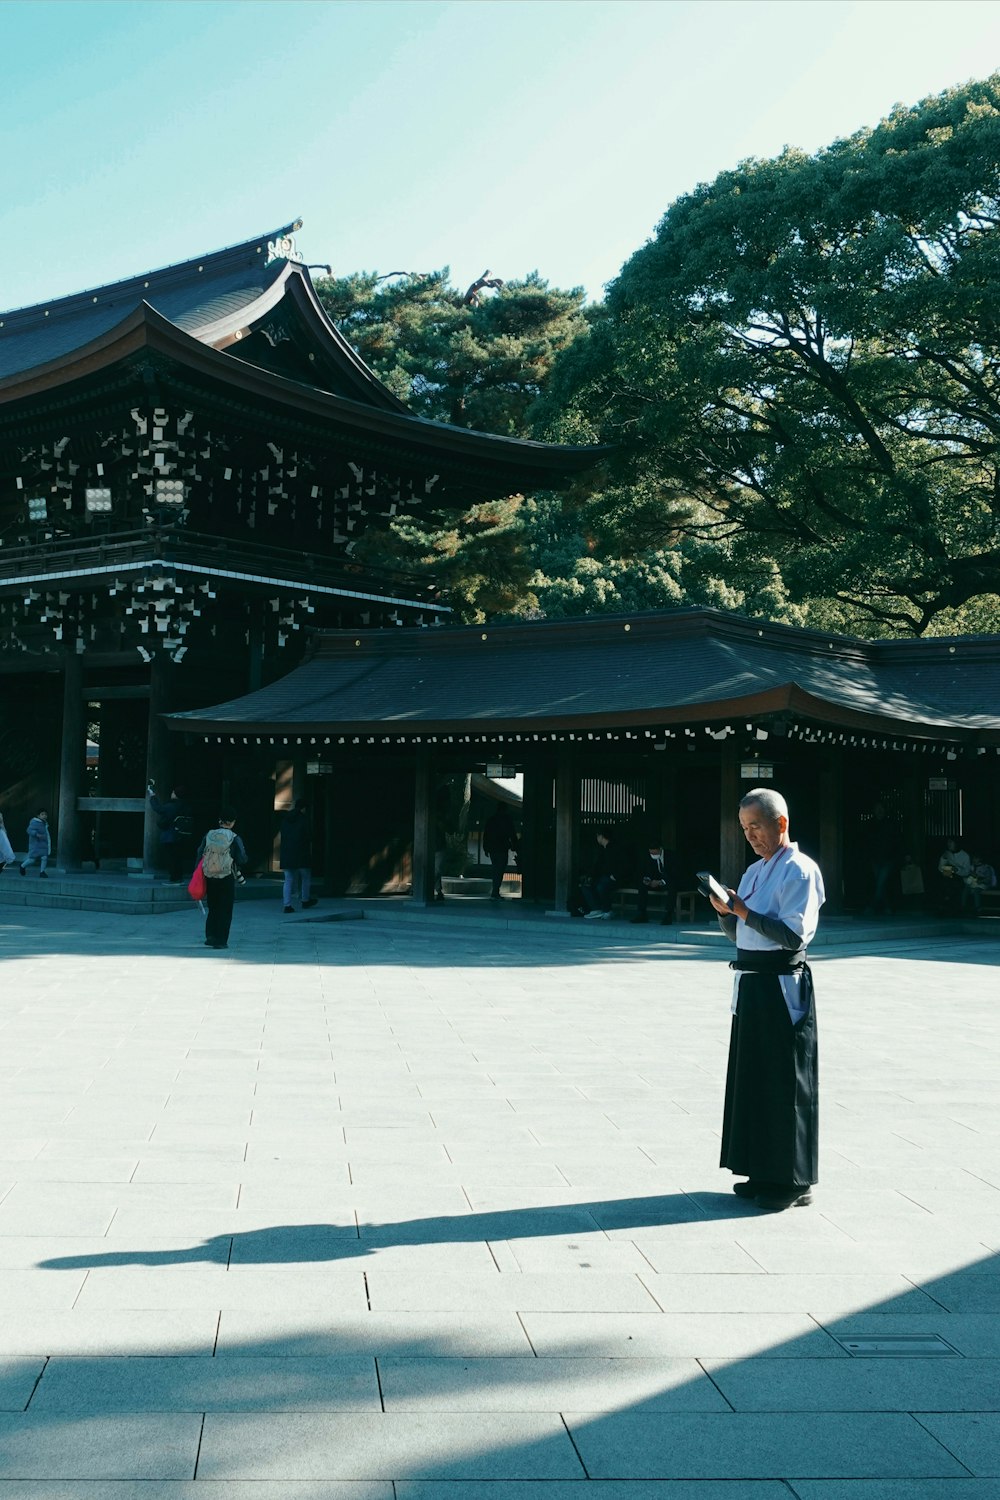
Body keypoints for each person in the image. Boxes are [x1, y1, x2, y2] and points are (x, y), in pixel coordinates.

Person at [708, 787, 825, 1212]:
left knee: (784, 1083)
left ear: (781, 823)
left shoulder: (800, 870)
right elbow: (742, 936)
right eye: (744, 828)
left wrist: (740, 911)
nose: (751, 835)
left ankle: (792, 1180)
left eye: (756, 825)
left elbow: (792, 935)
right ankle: (760, 1168)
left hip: (781, 985)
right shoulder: (755, 871)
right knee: (753, 1080)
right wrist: (726, 914)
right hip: (752, 982)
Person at [197, 809, 247, 950]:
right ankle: (221, 940)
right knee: (225, 909)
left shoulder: (209, 834)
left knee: (213, 906)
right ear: (232, 823)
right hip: (226, 876)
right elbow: (242, 858)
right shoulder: (234, 837)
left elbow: (200, 852)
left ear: (220, 821)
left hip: (209, 875)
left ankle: (210, 936)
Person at [147, 781, 194, 884]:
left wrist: (152, 796)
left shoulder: (172, 806)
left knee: (172, 858)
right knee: (178, 858)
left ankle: (174, 878)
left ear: (176, 794)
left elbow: (158, 809)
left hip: (171, 835)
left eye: (173, 792)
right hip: (182, 835)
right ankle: (179, 877)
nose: (172, 793)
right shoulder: (186, 806)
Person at [862, 801, 901, 916]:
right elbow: (866, 842)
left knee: (881, 881)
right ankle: (887, 907)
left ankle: (872, 906)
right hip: (874, 858)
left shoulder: (891, 824)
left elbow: (897, 840)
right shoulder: (870, 825)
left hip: (889, 858)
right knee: (880, 883)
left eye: (881, 808)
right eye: (877, 809)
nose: (879, 811)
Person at [279, 798, 316, 913]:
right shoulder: (304, 820)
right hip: (301, 853)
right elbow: (309, 836)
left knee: (288, 879)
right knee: (305, 876)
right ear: (304, 808)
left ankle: (287, 905)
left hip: (287, 852)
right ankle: (305, 899)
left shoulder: (285, 819)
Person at [576, 827, 622, 919]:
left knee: (601, 886)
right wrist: (589, 876)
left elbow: (623, 864)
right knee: (586, 884)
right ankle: (596, 909)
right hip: (604, 876)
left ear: (602, 836)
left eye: (598, 836)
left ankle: (608, 910)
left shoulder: (616, 848)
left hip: (616, 877)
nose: (597, 838)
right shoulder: (602, 850)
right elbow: (597, 866)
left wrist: (616, 875)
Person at [631, 842, 677, 925]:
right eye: (651, 853)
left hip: (667, 881)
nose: (653, 854)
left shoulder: (671, 856)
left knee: (672, 887)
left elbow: (675, 873)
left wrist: (661, 882)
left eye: (655, 853)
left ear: (660, 849)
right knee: (642, 886)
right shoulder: (646, 856)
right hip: (653, 881)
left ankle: (668, 915)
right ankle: (642, 913)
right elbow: (644, 871)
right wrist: (648, 880)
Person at [482, 806, 519, 899]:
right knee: (500, 869)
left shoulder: (491, 820)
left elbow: (486, 834)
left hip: (493, 848)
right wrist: (515, 845)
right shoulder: (507, 821)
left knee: (496, 869)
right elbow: (512, 833)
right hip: (502, 848)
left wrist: (486, 848)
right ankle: (496, 890)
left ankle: (495, 890)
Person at [938, 837, 972, 914]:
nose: (949, 844)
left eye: (951, 842)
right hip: (948, 876)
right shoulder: (947, 853)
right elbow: (940, 869)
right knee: (945, 881)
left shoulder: (965, 855)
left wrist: (957, 869)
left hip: (960, 878)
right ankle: (944, 906)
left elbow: (967, 872)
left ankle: (952, 908)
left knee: (952, 884)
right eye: (948, 842)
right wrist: (943, 858)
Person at [19, 808, 51, 877]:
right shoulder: (34, 822)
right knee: (32, 859)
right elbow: (29, 830)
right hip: (36, 844)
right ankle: (22, 866)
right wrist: (36, 834)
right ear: (38, 816)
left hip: (43, 843)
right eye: (42, 814)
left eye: (45, 814)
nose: (44, 816)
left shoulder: (44, 823)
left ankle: (42, 872)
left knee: (44, 857)